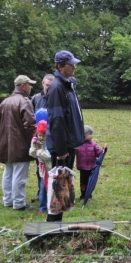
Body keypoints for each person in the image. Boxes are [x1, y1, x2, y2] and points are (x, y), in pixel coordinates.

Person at [46, 50, 85, 222]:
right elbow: (57, 121)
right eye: (71, 64)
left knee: (64, 188)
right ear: (60, 67)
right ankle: (52, 225)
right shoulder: (57, 88)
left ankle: (58, 223)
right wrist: (61, 150)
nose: (74, 67)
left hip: (69, 144)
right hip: (62, 148)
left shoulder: (69, 85)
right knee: (58, 188)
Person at [0, 75, 37, 211]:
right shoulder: (25, 101)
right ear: (23, 85)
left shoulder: (4, 102)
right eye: (29, 84)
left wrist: (0, 142)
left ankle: (8, 200)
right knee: (19, 175)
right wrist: (35, 141)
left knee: (8, 173)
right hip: (20, 145)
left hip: (5, 144)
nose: (31, 87)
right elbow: (30, 124)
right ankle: (18, 203)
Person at [31, 74, 54, 203]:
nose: (48, 88)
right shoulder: (36, 98)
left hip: (52, 138)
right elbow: (30, 116)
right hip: (39, 138)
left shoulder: (56, 99)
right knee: (40, 167)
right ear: (42, 84)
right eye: (46, 85)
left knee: (52, 166)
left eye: (51, 86)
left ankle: (52, 193)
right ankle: (41, 192)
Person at [29, 120, 52, 214]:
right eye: (39, 135)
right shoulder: (37, 142)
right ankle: (42, 207)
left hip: (51, 169)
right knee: (42, 188)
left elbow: (48, 156)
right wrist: (34, 146)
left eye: (44, 135)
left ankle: (53, 205)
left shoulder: (50, 143)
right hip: (42, 171)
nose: (41, 138)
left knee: (52, 188)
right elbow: (32, 154)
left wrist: (39, 152)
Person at [76, 125, 104, 200]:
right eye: (90, 134)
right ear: (84, 135)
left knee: (90, 182)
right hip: (82, 167)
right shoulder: (78, 144)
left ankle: (89, 195)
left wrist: (102, 151)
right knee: (83, 182)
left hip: (91, 167)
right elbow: (73, 152)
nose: (92, 136)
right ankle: (83, 195)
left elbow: (98, 153)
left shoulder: (93, 144)